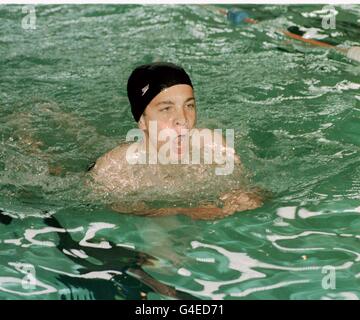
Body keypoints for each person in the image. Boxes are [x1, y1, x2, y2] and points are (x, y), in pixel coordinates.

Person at [88, 62, 263, 219]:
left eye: (189, 106)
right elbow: (119, 207)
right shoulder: (115, 168)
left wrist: (247, 197)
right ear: (141, 120)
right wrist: (183, 211)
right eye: (166, 109)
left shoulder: (212, 144)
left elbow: (253, 189)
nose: (183, 119)